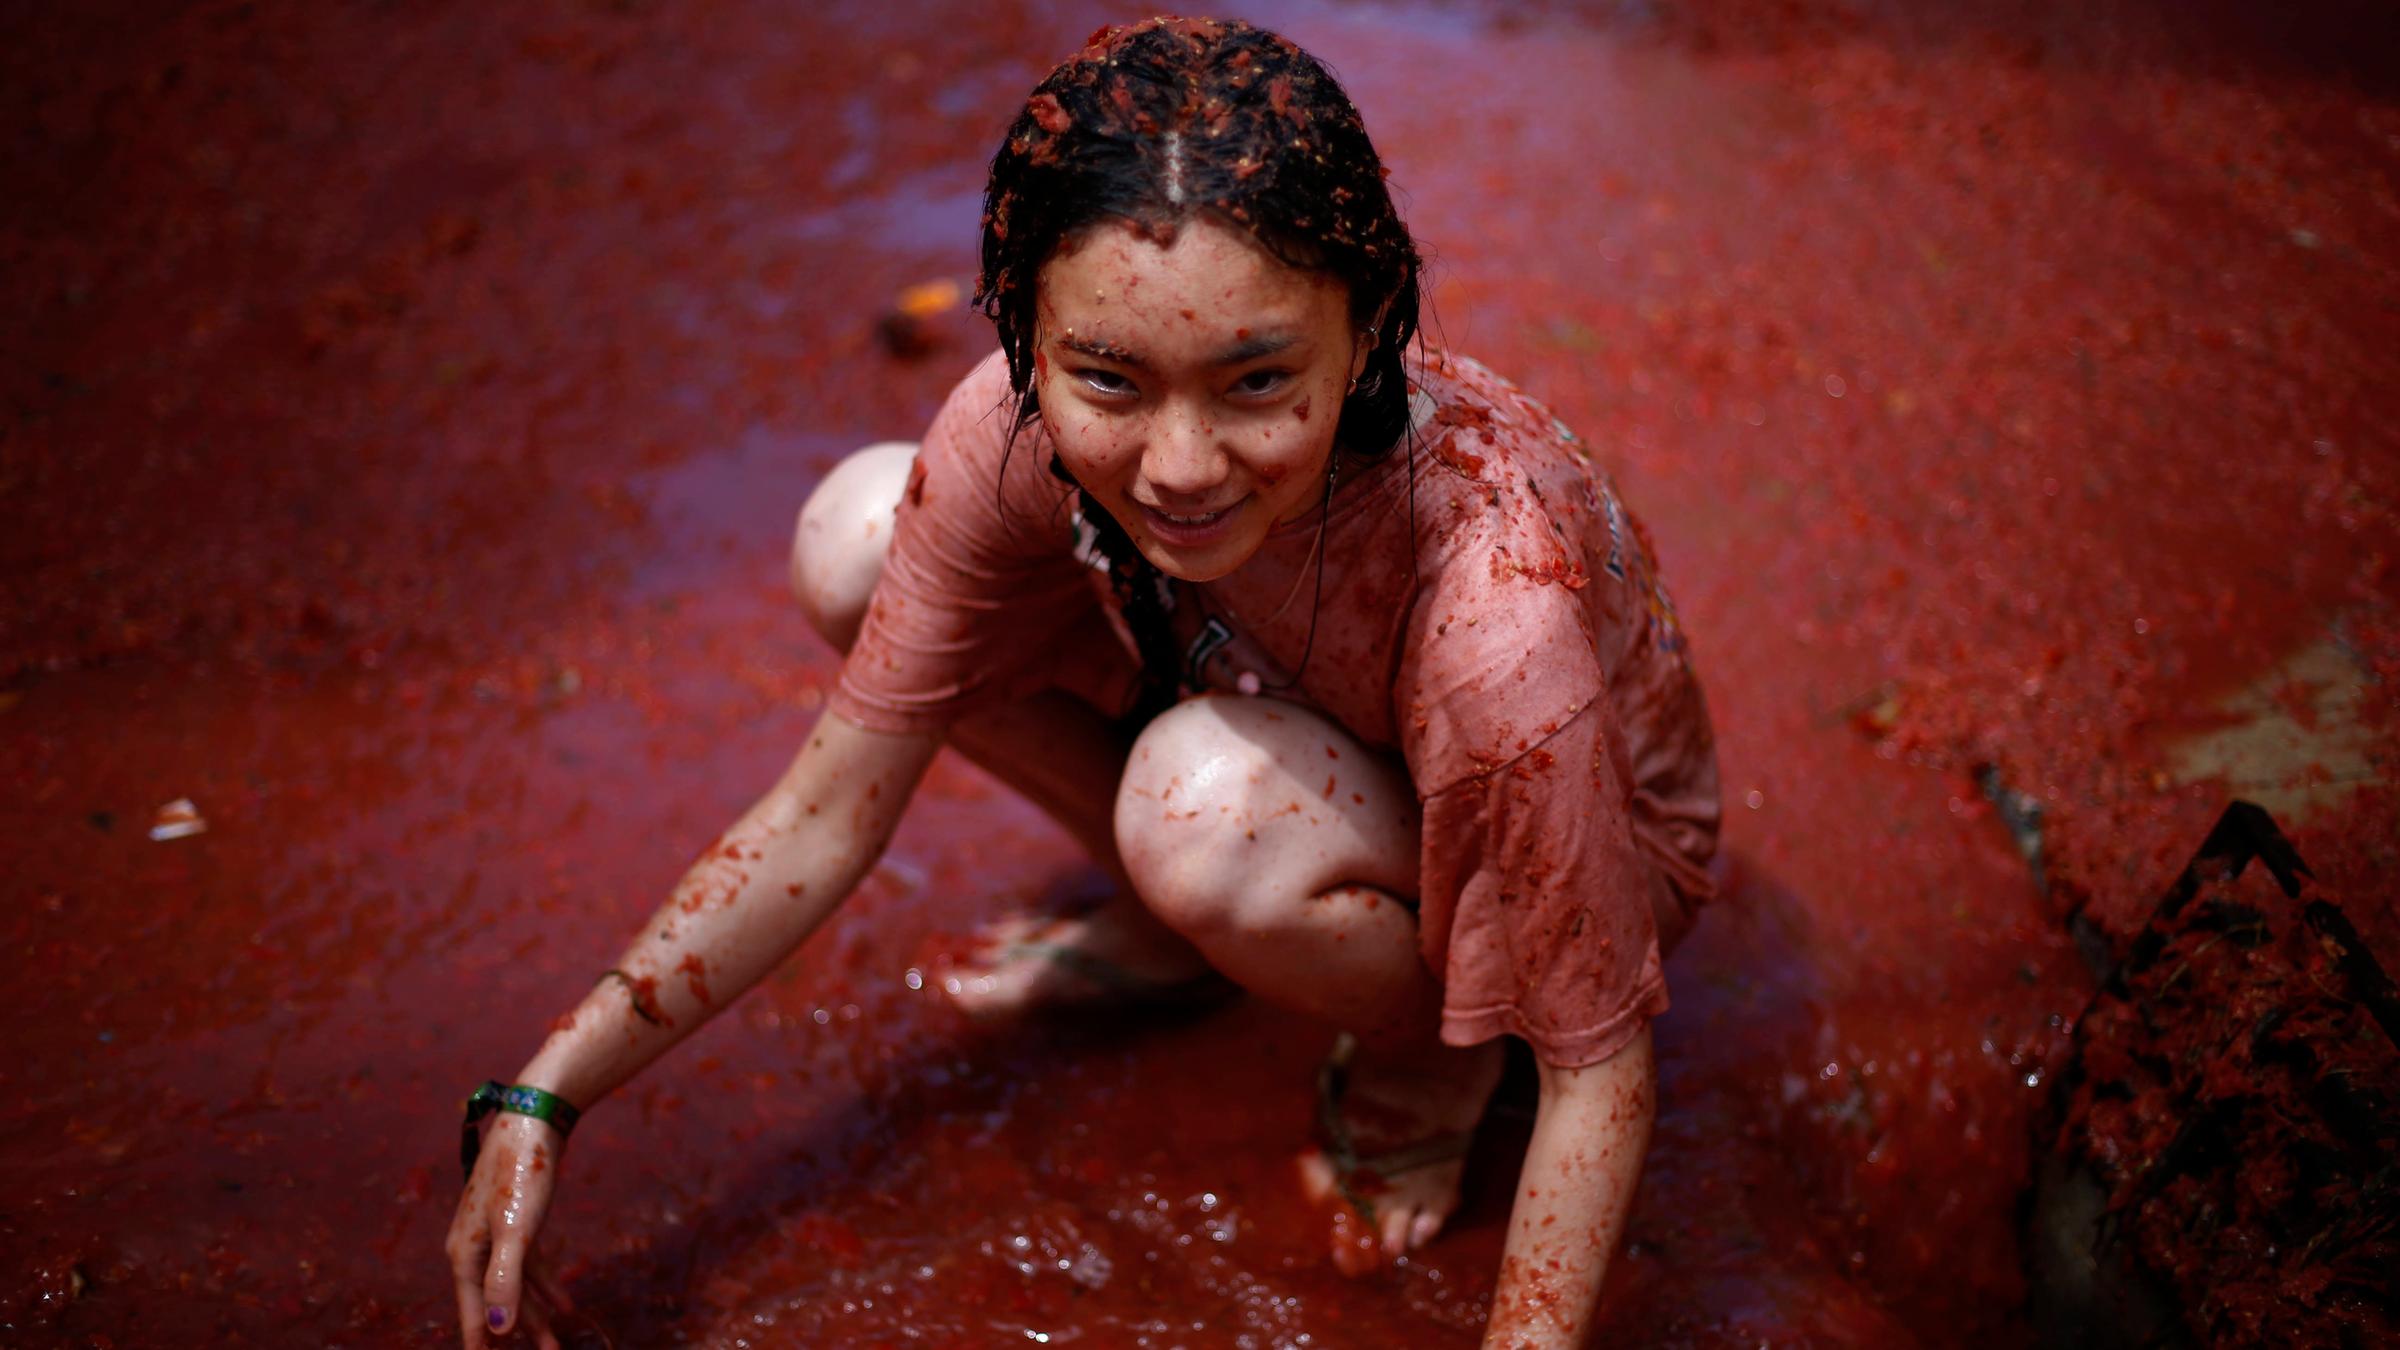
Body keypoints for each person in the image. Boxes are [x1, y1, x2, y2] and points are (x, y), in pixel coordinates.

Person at [445, 17, 1718, 1349]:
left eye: (1257, 380)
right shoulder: (1014, 433)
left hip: (1578, 864)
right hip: (1279, 704)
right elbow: (824, 814)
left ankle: (1430, 1060)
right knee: (862, 534)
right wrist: (544, 1094)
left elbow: (1600, 1065)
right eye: (1108, 376)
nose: (1177, 464)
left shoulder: (1496, 602)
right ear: (1028, 341)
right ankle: (1188, 931)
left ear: (1370, 336)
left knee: (1200, 806)